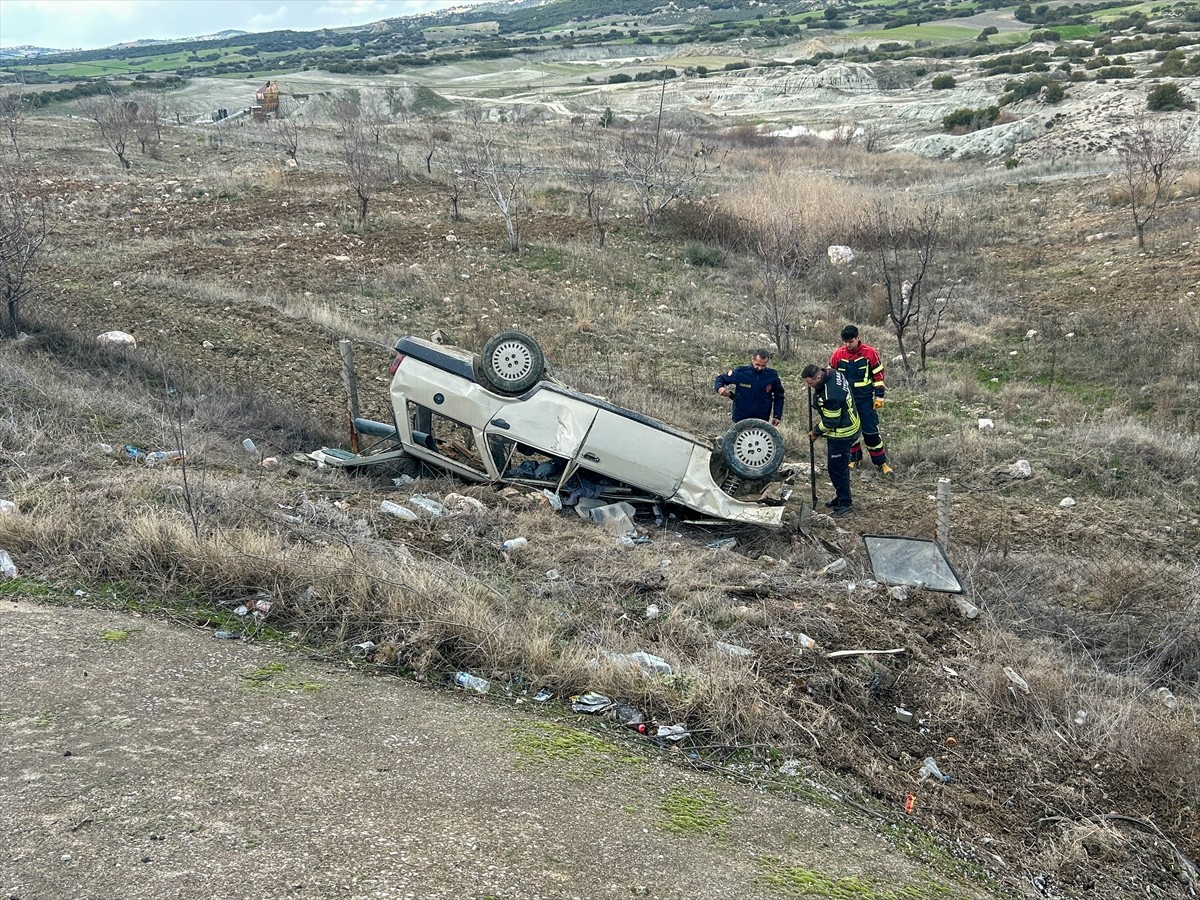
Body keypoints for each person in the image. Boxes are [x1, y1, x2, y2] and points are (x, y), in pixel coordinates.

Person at [829, 324, 893, 476]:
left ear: (858, 338)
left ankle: (881, 463)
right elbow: (831, 376)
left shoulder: (870, 353)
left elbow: (878, 376)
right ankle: (854, 459)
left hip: (865, 400)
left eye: (850, 341)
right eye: (845, 342)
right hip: (846, 401)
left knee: (871, 432)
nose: (847, 345)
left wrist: (879, 397)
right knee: (850, 432)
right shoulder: (838, 354)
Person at [801, 363, 861, 516]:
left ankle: (845, 503)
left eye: (810, 383)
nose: (809, 386)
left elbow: (831, 421)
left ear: (819, 377)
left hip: (842, 432)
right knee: (837, 467)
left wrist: (815, 432)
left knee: (837, 469)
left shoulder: (830, 394)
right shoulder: (832, 373)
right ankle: (840, 497)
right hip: (849, 422)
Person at [713, 348, 784, 425]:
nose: (760, 368)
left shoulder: (772, 376)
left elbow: (779, 396)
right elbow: (721, 378)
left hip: (761, 418)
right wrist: (720, 388)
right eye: (757, 364)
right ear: (752, 359)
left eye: (763, 365)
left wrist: (777, 415)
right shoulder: (741, 373)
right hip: (741, 417)